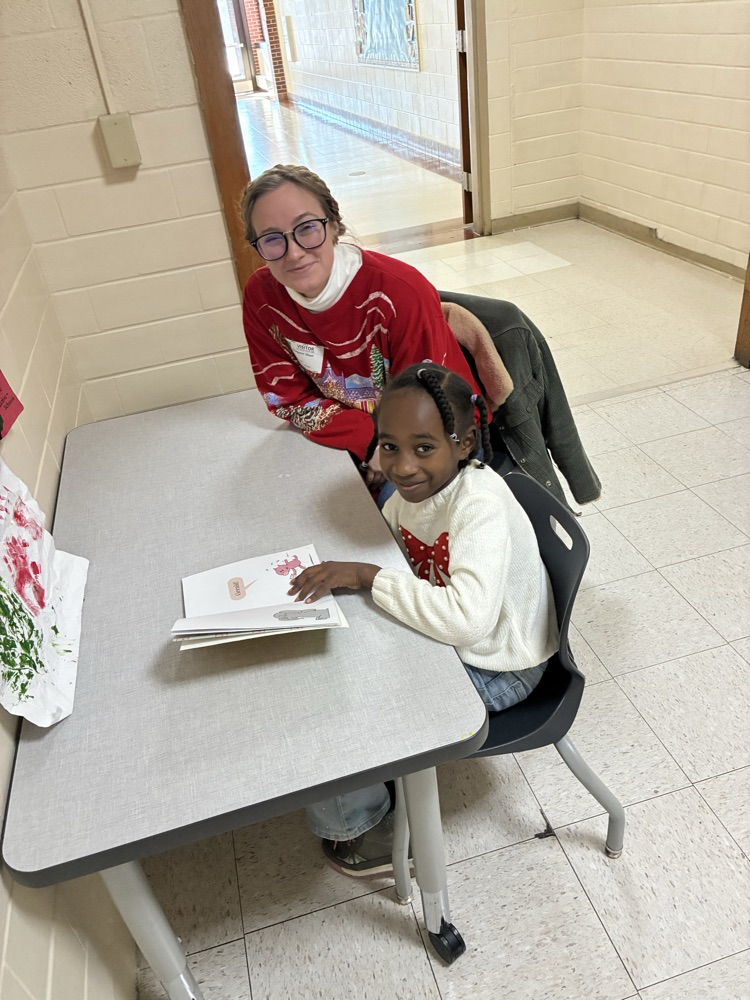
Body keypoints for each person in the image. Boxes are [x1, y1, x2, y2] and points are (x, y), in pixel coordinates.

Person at [288, 363, 559, 876]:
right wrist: (358, 572)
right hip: (462, 635)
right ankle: (366, 783)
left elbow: (465, 621)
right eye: (388, 446)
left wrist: (368, 577)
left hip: (502, 661)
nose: (403, 466)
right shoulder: (413, 494)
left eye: (424, 447)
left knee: (346, 712)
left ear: (463, 443)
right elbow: (395, 552)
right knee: (327, 668)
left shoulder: (477, 505)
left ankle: (360, 832)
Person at [240, 164, 481, 496]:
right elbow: (285, 397)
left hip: (434, 439)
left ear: (335, 225)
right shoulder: (262, 297)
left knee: (384, 532)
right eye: (271, 239)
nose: (294, 252)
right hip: (361, 440)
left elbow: (433, 411)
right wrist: (368, 442)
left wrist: (385, 449)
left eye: (307, 228)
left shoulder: (400, 293)